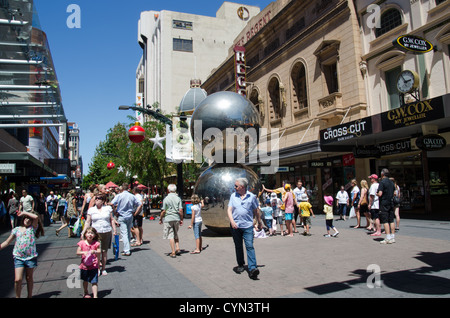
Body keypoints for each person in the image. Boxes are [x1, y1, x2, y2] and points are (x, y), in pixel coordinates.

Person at [0, 210, 41, 298]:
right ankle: (17, 296)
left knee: (29, 278)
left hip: (30, 257)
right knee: (17, 279)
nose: (27, 220)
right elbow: (7, 242)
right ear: (23, 219)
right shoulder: (16, 229)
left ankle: (29, 296)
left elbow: (36, 217)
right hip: (18, 257)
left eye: (29, 219)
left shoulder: (33, 228)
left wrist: (24, 212)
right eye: (26, 218)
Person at [228, 178, 262, 280]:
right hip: (236, 226)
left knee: (249, 246)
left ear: (242, 187)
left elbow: (256, 211)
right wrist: (232, 221)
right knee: (238, 246)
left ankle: (252, 269)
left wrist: (259, 222)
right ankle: (241, 265)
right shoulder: (233, 196)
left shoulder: (251, 197)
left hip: (247, 226)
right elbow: (229, 210)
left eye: (236, 186)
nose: (234, 188)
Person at [83, 195, 116, 275]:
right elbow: (88, 221)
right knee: (97, 252)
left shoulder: (108, 208)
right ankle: (97, 268)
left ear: (103, 200)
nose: (97, 200)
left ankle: (103, 268)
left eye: (99, 198)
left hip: (106, 231)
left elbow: (111, 220)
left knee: (104, 251)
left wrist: (114, 230)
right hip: (96, 233)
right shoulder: (91, 210)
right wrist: (83, 232)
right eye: (96, 198)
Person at [111, 184, 142, 257]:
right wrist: (136, 213)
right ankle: (127, 247)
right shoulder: (132, 196)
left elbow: (112, 203)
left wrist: (115, 212)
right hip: (130, 215)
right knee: (128, 232)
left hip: (121, 215)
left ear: (122, 189)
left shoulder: (119, 196)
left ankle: (126, 250)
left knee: (124, 233)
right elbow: (140, 204)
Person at [159, 184, 183, 258]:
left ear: (168, 190)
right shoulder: (178, 198)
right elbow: (181, 210)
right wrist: (181, 219)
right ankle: (178, 247)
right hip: (176, 217)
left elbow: (163, 211)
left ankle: (173, 252)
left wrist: (160, 218)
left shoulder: (166, 199)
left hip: (168, 218)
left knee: (170, 235)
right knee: (176, 233)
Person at [76, 227, 101, 298]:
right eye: (88, 233)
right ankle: (86, 291)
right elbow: (77, 252)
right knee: (85, 280)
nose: (90, 235)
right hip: (84, 266)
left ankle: (95, 296)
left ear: (95, 235)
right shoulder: (82, 243)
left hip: (94, 265)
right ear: (85, 234)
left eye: (92, 233)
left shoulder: (96, 243)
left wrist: (95, 251)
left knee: (94, 281)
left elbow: (99, 251)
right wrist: (84, 252)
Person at [377, 169, 396, 244]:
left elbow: (380, 193)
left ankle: (388, 237)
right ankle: (392, 237)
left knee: (385, 220)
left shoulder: (382, 182)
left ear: (382, 174)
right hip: (391, 202)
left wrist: (377, 194)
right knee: (391, 220)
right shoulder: (391, 182)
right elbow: (395, 193)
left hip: (384, 202)